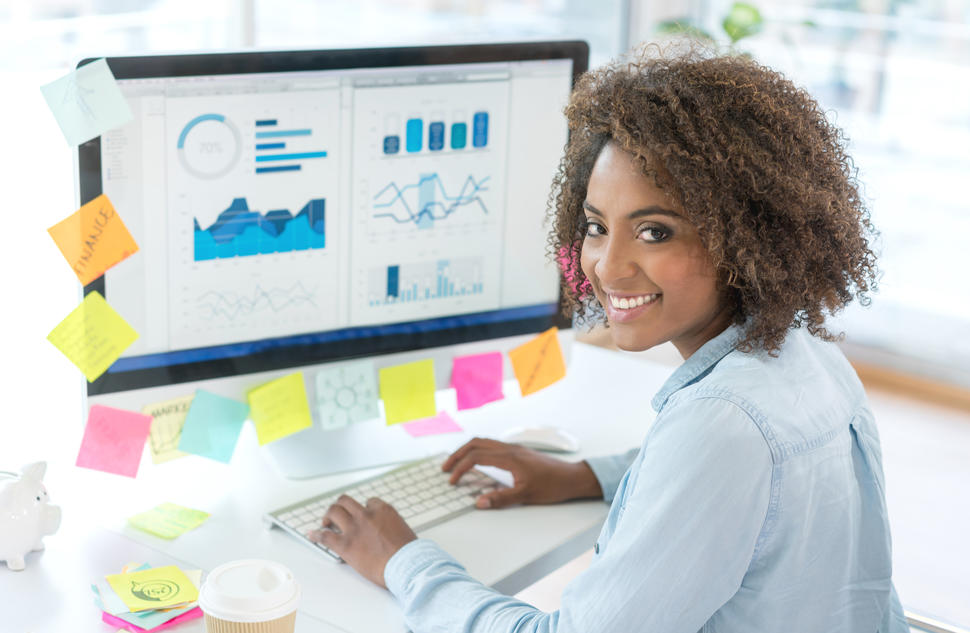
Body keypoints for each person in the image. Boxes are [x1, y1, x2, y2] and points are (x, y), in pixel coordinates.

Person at [308, 43, 910, 632]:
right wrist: (583, 476)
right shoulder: (807, 358)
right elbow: (748, 489)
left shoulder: (722, 424)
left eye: (654, 232)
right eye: (596, 226)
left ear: (749, 238)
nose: (608, 266)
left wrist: (403, 562)